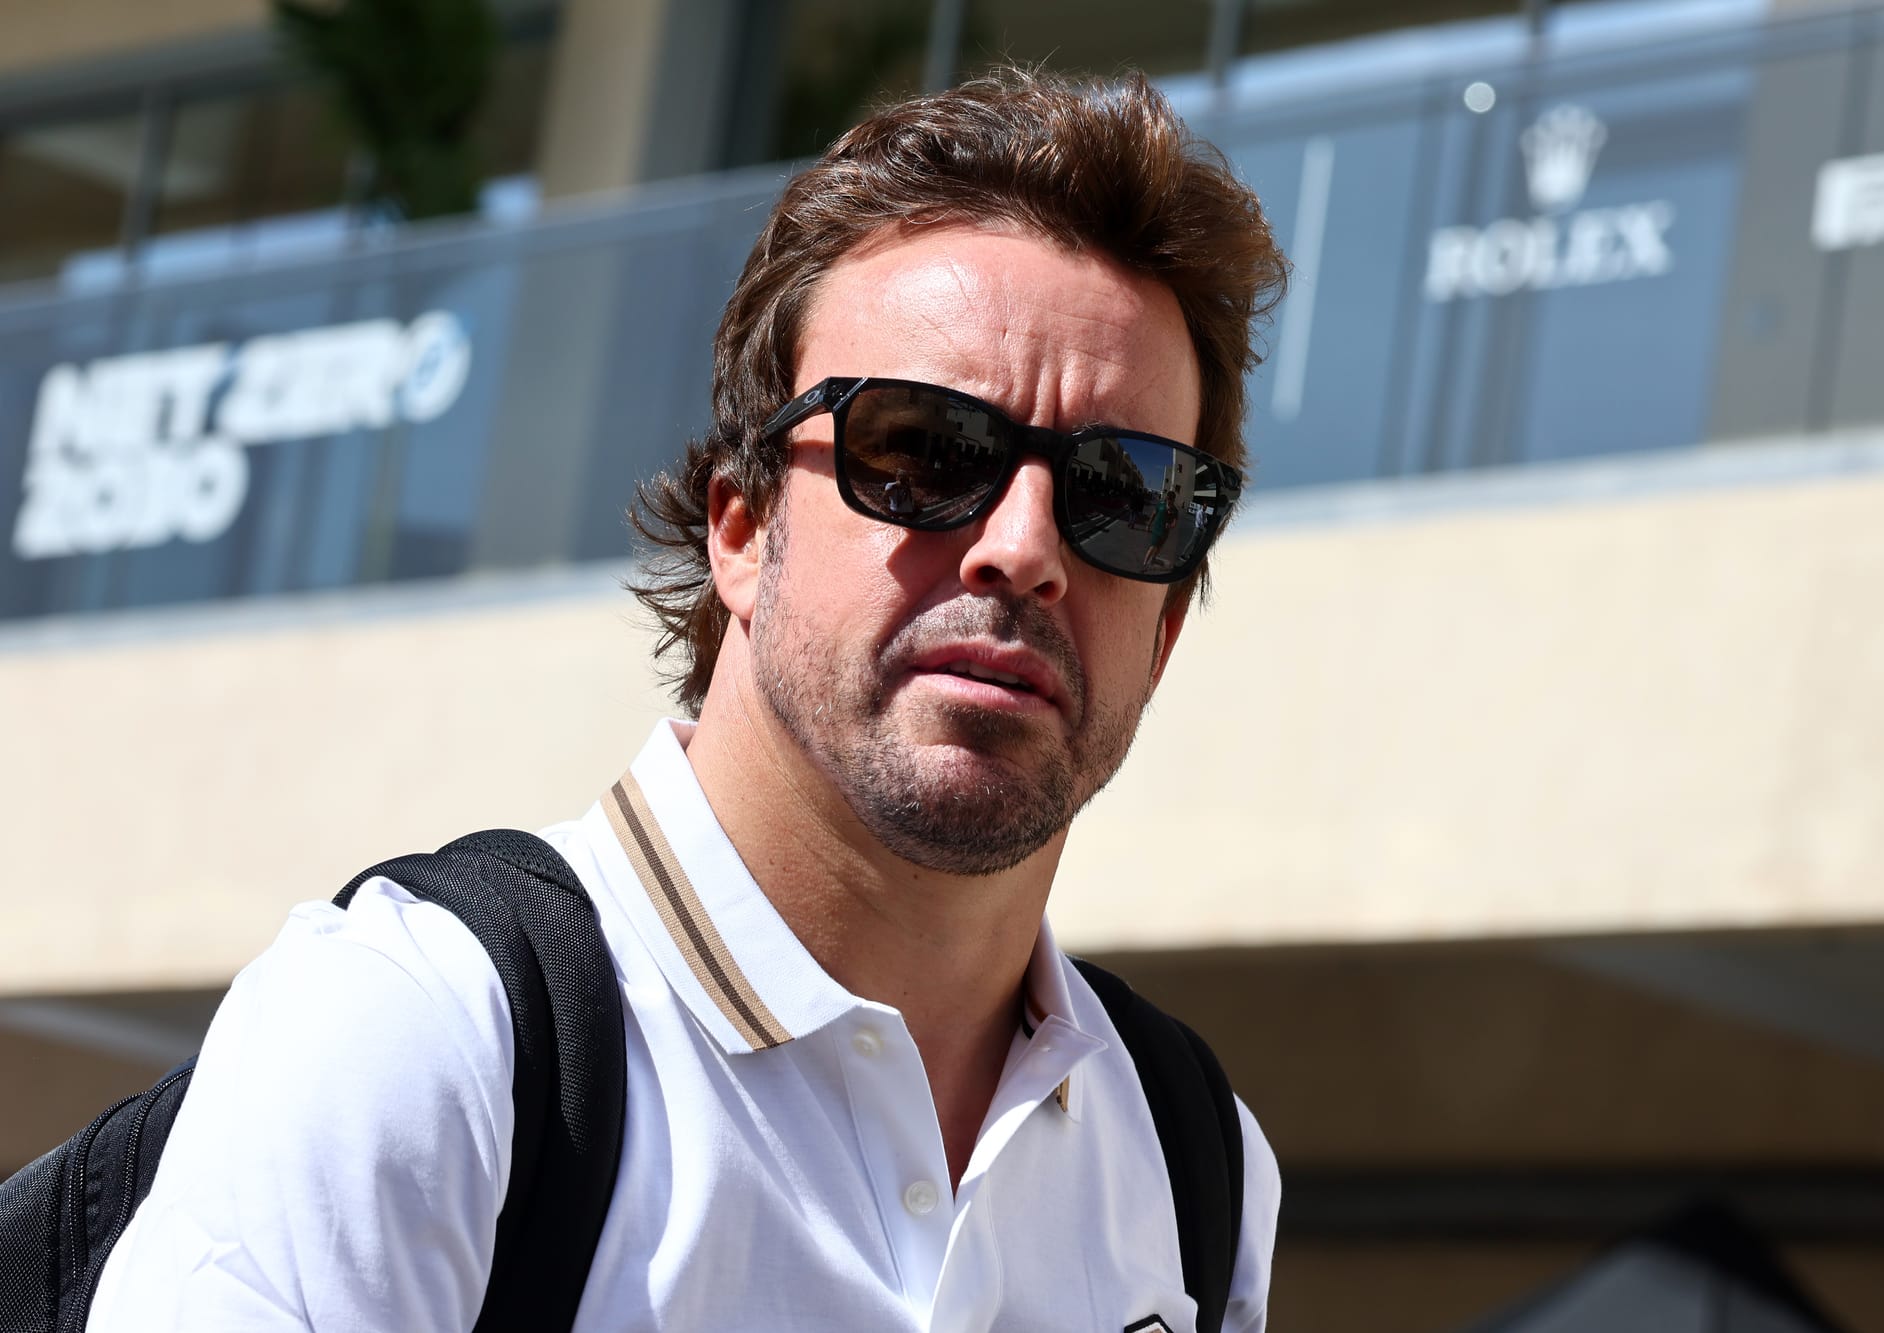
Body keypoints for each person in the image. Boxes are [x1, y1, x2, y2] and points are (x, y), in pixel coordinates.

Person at [87, 66, 1289, 1332]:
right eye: (926, 450)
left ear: (1165, 625)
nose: (1023, 549)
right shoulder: (420, 1034)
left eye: (1123, 493)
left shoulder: (1188, 1160)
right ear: (741, 527)